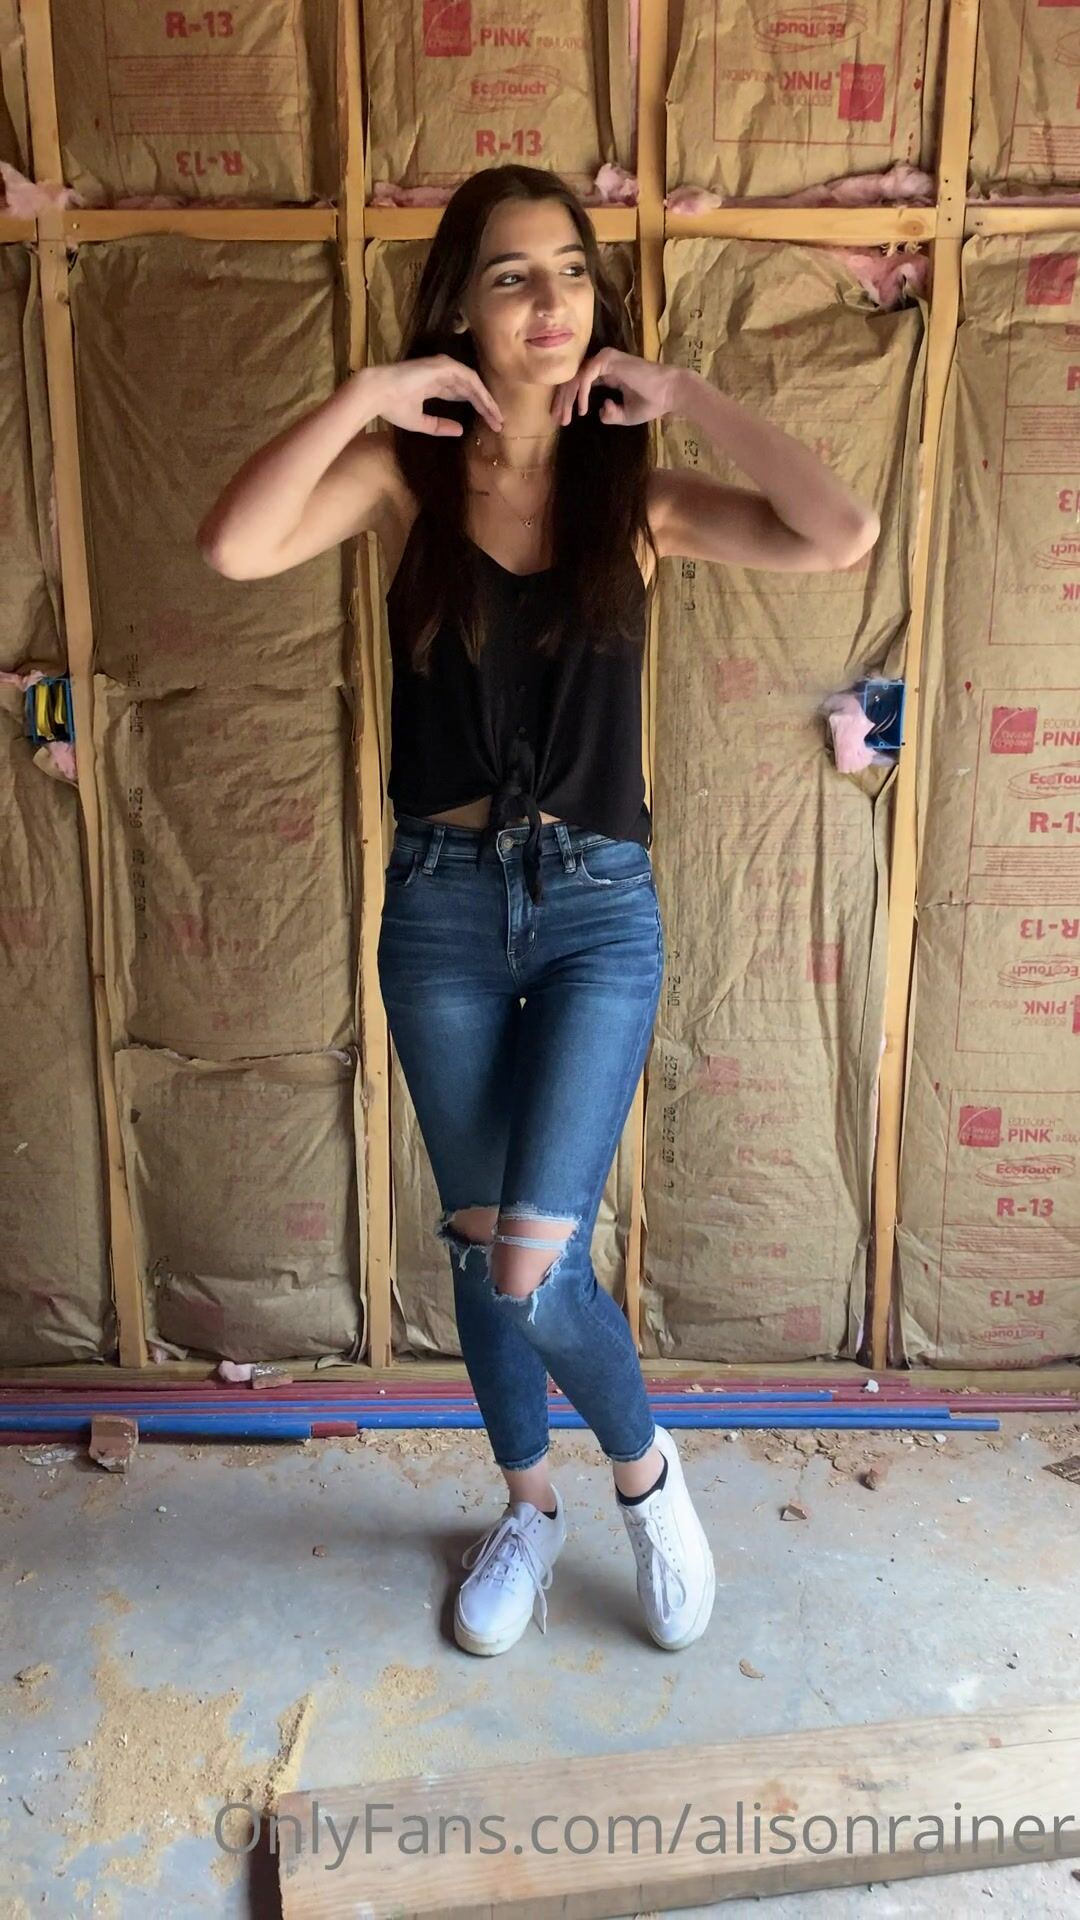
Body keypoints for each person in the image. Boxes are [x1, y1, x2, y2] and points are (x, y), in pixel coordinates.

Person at [198, 164, 880, 1659]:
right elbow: (231, 547)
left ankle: (644, 1478)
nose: (551, 299)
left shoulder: (632, 496)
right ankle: (528, 1507)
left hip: (595, 914)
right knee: (474, 1253)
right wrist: (365, 394)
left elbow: (840, 531)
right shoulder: (407, 481)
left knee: (533, 1260)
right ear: (461, 305)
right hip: (439, 909)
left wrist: (684, 394)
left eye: (570, 269)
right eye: (512, 274)